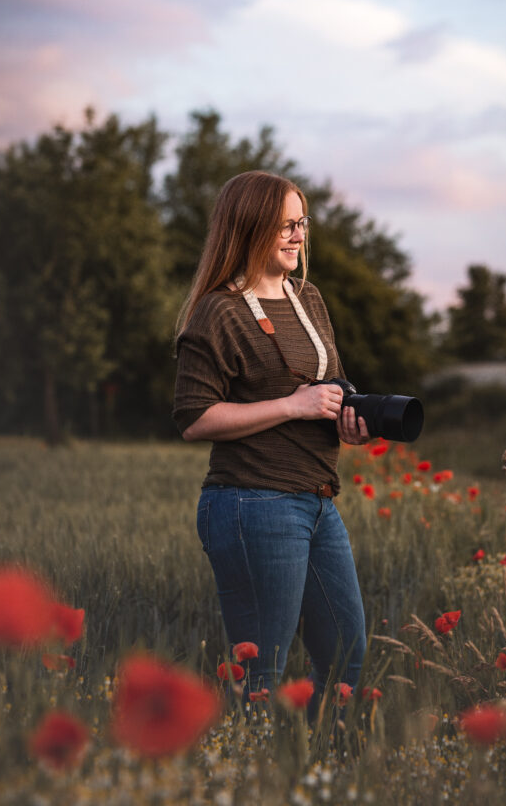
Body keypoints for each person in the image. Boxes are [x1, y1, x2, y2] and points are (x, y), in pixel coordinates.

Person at [173, 170, 369, 708]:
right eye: (284, 225)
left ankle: (319, 773)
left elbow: (332, 380)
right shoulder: (219, 310)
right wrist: (293, 405)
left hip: (318, 501)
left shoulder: (308, 297)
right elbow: (193, 418)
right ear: (250, 227)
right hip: (251, 502)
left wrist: (348, 417)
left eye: (301, 222)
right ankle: (248, 779)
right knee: (263, 673)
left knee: (347, 652)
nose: (297, 235)